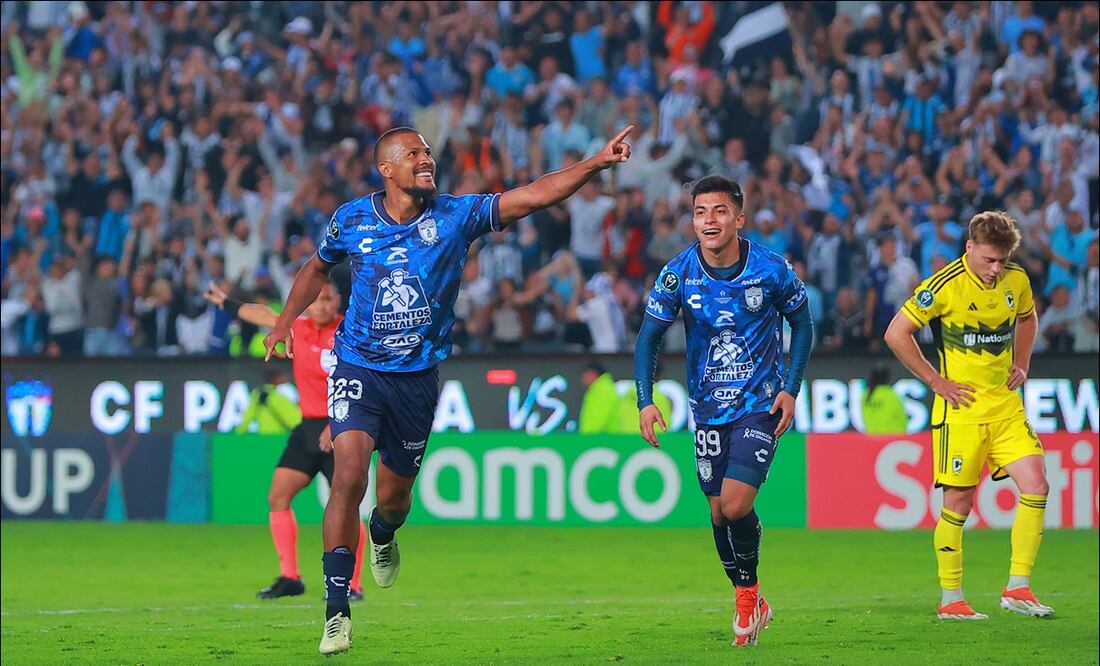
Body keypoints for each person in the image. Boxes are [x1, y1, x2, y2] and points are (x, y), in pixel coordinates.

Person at [263, 124, 634, 655]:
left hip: (416, 381)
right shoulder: (351, 219)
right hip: (358, 368)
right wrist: (283, 323)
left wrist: (595, 164)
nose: (426, 159)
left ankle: (385, 535)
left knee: (393, 500)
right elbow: (315, 269)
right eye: (413, 153)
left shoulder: (456, 215)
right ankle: (336, 609)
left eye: (428, 152)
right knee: (347, 476)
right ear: (386, 169)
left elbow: (533, 195)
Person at [634, 175, 814, 647]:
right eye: (700, 213)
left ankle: (747, 595)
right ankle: (751, 597)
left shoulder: (771, 269)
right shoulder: (678, 273)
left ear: (739, 217)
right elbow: (648, 338)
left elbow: (803, 323)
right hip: (707, 409)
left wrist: (791, 389)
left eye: (718, 211)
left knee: (736, 504)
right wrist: (645, 399)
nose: (708, 221)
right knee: (717, 515)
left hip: (759, 405)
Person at [884, 212, 1052, 621]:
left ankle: (1018, 588)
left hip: (1006, 407)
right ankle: (951, 598)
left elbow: (1028, 318)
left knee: (1038, 484)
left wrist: (1023, 362)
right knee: (958, 503)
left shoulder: (1016, 280)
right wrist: (935, 381)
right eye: (989, 260)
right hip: (961, 412)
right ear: (970, 248)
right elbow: (896, 333)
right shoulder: (944, 285)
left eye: (1003, 260)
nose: (996, 269)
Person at [204, 281, 367, 603]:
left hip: (343, 427)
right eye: (316, 299)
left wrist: (337, 424)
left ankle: (353, 584)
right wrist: (228, 303)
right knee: (278, 495)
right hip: (307, 426)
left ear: (338, 302)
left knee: (347, 507)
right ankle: (291, 577)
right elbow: (264, 314)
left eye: (328, 298)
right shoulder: (300, 327)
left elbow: (362, 382)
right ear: (307, 305)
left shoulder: (351, 333)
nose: (321, 304)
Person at [861, 363, 908, 434]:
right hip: (891, 438)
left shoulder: (866, 395)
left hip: (872, 438)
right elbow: (902, 419)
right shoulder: (892, 395)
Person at [578, 360, 619, 433]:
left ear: (592, 373)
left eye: (584, 375)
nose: (582, 379)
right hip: (601, 439)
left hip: (602, 440)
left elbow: (598, 418)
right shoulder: (600, 388)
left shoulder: (603, 389)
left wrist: (586, 438)